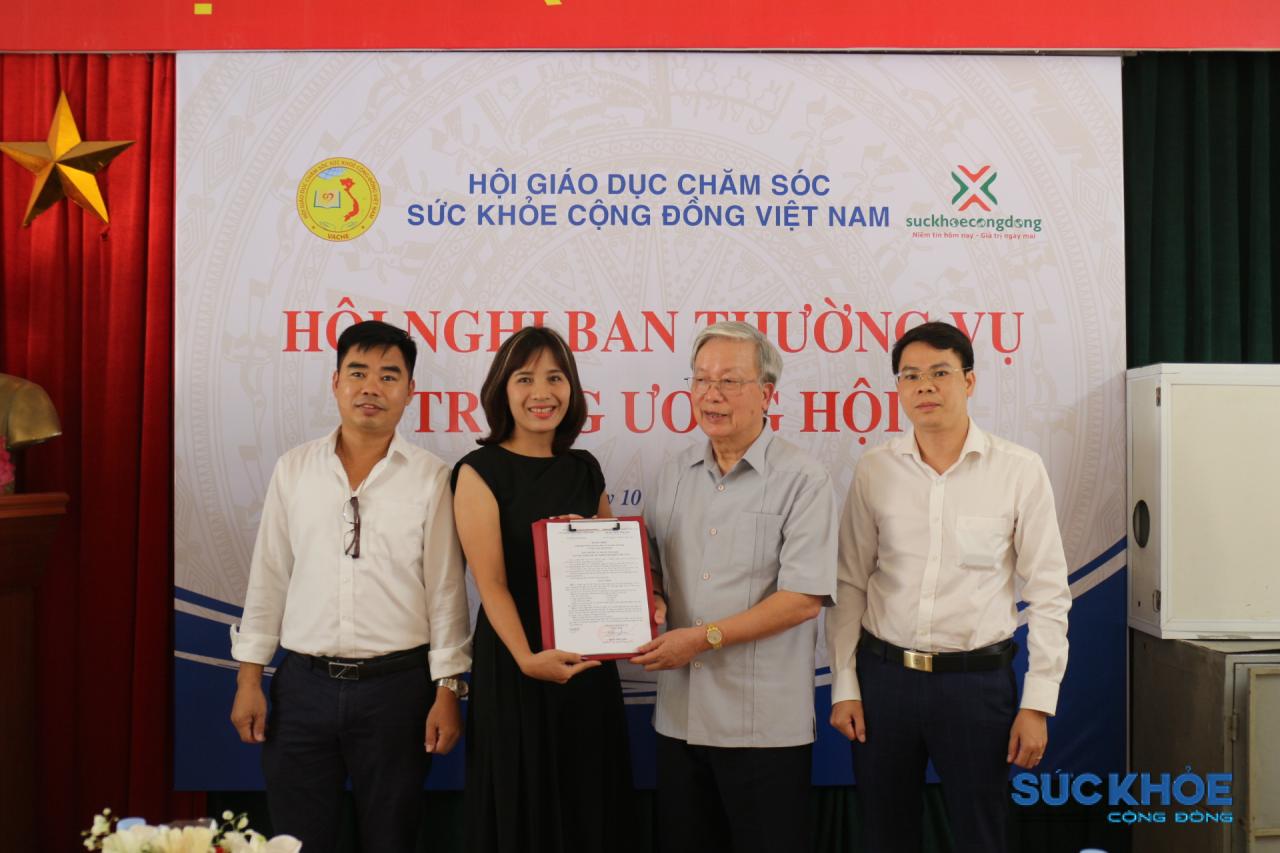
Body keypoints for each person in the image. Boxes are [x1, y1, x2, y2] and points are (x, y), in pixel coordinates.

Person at [825, 320, 1072, 853]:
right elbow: (849, 582)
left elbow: (1050, 592)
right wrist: (844, 682)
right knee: (884, 835)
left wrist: (1038, 703)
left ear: (969, 381)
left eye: (940, 372)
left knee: (983, 835)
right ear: (898, 387)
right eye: (910, 376)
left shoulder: (1018, 470)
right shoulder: (875, 469)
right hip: (885, 682)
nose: (925, 387)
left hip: (975, 686)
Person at [228, 320, 471, 853]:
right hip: (303, 687)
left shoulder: (432, 477)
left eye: (389, 376)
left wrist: (447, 690)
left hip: (398, 691)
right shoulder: (295, 469)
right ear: (335, 382)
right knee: (296, 841)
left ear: (410, 391)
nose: (371, 388)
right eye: (358, 373)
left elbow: (446, 592)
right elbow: (268, 577)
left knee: (391, 838)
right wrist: (249, 679)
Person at [633, 320, 838, 853]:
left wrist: (702, 639)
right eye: (701, 379)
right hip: (679, 718)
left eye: (729, 380)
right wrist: (648, 596)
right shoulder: (674, 472)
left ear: (767, 394)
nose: (711, 394)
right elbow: (651, 567)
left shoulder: (803, 479)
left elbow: (802, 600)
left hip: (762, 728)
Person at [451, 326, 635, 853]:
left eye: (555, 378)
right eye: (525, 379)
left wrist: (639, 596)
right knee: (522, 803)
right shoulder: (478, 471)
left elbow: (610, 563)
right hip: (517, 662)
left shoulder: (585, 468)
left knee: (588, 800)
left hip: (587, 663)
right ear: (502, 390)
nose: (542, 392)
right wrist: (528, 659)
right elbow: (491, 583)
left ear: (571, 389)